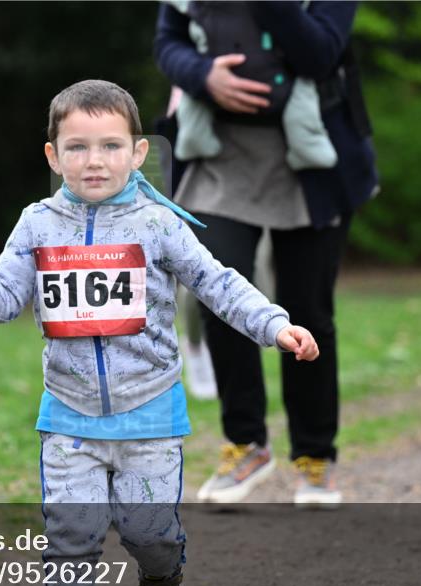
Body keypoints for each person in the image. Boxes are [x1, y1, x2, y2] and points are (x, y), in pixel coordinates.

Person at [0, 79, 319, 586]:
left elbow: (217, 282)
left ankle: (162, 577)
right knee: (71, 538)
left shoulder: (158, 224)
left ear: (139, 153)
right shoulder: (37, 225)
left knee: (149, 533)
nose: (95, 160)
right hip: (68, 416)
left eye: (111, 146)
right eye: (78, 147)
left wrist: (274, 325)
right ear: (53, 155)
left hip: (150, 413)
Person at [154, 1, 378, 508]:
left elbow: (319, 53)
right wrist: (203, 74)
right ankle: (246, 442)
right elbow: (167, 44)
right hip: (220, 160)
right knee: (217, 295)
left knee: (308, 311)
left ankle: (315, 458)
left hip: (313, 166)